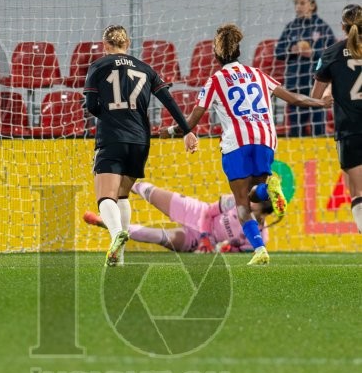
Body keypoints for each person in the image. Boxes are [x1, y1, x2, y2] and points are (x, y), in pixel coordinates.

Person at [170, 23, 332, 265]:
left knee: (242, 202)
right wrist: (320, 103)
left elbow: (192, 120)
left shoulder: (215, 80)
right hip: (266, 138)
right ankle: (270, 188)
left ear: (216, 55)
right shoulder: (258, 74)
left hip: (237, 142)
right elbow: (294, 98)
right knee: (257, 189)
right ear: (238, 51)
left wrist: (169, 131)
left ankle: (259, 249)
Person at [83, 25, 198, 267]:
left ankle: (116, 235)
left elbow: (91, 106)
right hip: (140, 141)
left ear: (105, 45)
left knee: (105, 197)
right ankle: (120, 258)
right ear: (128, 43)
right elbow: (168, 99)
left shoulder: (98, 66)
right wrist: (187, 131)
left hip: (112, 137)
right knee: (123, 194)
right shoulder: (146, 69)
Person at [83, 181, 274, 253]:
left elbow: (236, 253)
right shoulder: (236, 200)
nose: (250, 199)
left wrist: (220, 248)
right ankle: (121, 181)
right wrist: (206, 237)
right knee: (150, 192)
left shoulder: (259, 238)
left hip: (197, 242)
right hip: (196, 213)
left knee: (159, 237)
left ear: (262, 210)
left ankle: (106, 222)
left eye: (255, 200)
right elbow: (208, 212)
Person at [312, 4, 362, 233]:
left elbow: (315, 96)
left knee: (359, 193)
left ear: (342, 26)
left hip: (350, 131)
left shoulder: (331, 53)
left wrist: (330, 92)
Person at [274, 0, 336, 136]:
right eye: (296, 3)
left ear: (312, 5)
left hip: (316, 82)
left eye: (302, 3)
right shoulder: (291, 27)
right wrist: (292, 50)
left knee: (317, 121)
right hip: (295, 82)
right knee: (296, 123)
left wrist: (313, 53)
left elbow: (332, 53)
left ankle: (321, 151)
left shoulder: (322, 27)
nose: (298, 7)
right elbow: (278, 52)